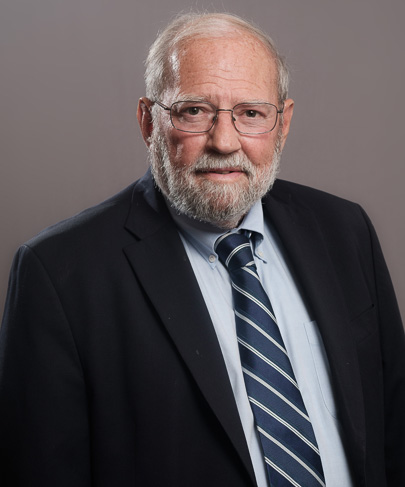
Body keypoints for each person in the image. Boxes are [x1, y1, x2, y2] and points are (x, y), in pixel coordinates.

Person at [0, 12, 404, 487]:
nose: (224, 142)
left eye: (251, 113)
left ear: (283, 123)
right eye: (194, 111)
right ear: (148, 121)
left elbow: (393, 427)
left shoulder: (344, 230)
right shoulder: (59, 275)